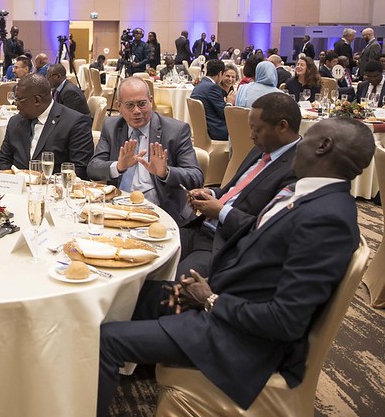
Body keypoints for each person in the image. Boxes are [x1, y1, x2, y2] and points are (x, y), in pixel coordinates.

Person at [97, 117, 375, 417]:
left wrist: (210, 300)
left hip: (241, 340)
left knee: (105, 341)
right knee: (125, 296)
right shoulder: (309, 195)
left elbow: (286, 321)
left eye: (306, 137)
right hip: (228, 303)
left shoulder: (328, 218)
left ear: (323, 146)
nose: (298, 144)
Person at [177, 92, 300, 278]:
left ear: (282, 126)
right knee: (144, 252)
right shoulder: (261, 149)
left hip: (225, 244)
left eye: (257, 130)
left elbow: (268, 230)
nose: (251, 136)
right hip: (200, 227)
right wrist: (211, 192)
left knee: (168, 285)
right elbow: (235, 192)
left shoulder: (297, 169)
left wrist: (221, 212)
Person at [87, 77, 203, 226]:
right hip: (118, 211)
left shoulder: (176, 131)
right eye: (129, 105)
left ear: (151, 101)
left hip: (161, 212)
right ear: (118, 106)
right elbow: (93, 168)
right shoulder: (111, 126)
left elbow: (196, 176)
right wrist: (118, 167)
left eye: (142, 104)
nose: (136, 111)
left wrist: (165, 173)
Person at [0, 75, 93, 179]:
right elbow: (3, 161)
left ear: (37, 100)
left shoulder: (75, 123)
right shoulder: (15, 122)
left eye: (19, 100)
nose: (16, 105)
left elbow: (80, 170)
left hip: (53, 191)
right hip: (17, 189)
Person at [190, 59, 231, 140]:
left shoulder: (199, 85)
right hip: (215, 131)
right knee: (242, 129)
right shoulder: (212, 88)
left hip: (203, 129)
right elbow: (224, 114)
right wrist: (229, 103)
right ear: (220, 73)